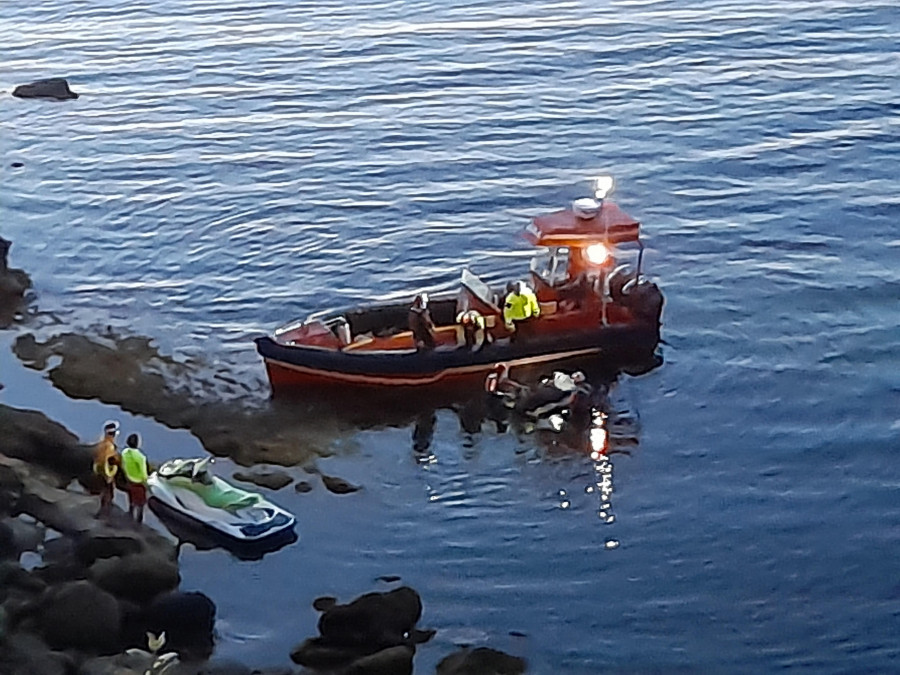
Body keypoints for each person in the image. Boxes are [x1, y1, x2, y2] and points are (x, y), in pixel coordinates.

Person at [92, 420, 121, 517]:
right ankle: (104, 512)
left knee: (103, 491)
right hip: (107, 474)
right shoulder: (110, 447)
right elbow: (109, 460)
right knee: (108, 493)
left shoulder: (100, 444)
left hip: (98, 471)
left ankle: (103, 509)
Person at [120, 433, 149, 523]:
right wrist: (146, 481)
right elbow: (143, 472)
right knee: (141, 502)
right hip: (139, 481)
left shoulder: (124, 453)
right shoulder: (140, 457)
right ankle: (139, 518)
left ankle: (130, 511)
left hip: (129, 478)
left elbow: (123, 465)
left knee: (131, 496)